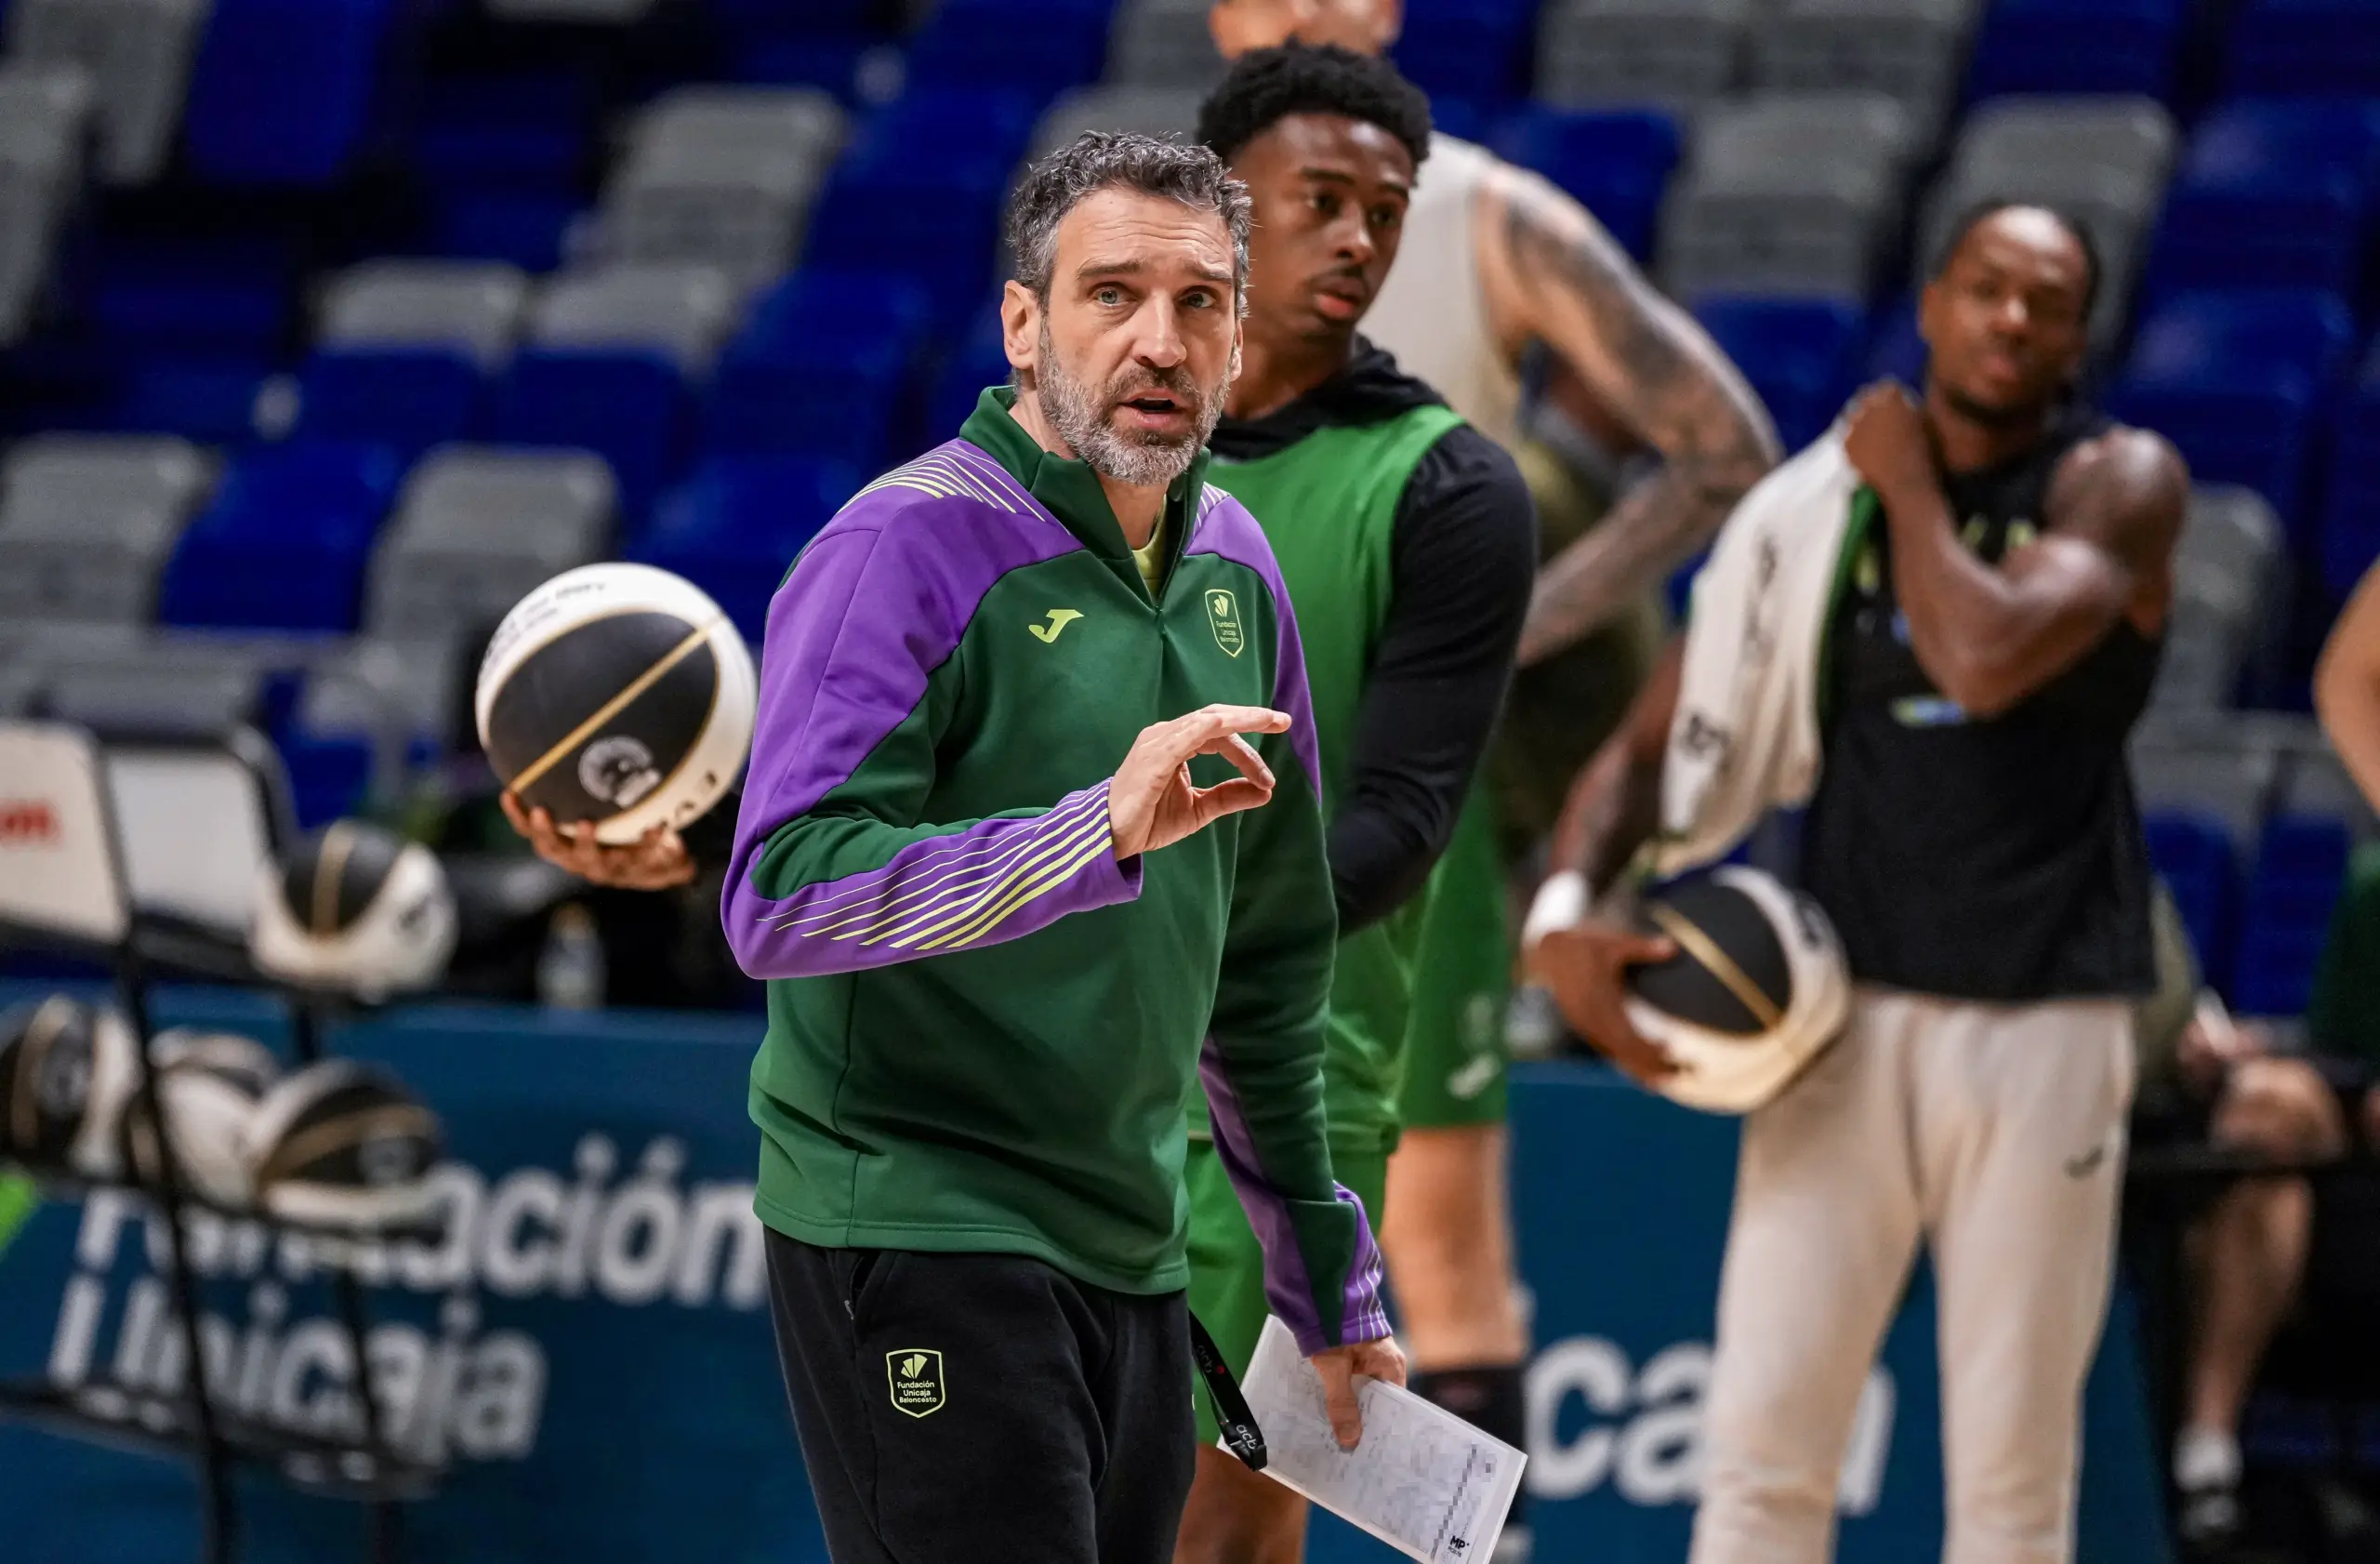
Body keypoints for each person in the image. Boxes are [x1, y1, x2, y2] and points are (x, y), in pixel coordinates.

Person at [720, 132, 1403, 1564]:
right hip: (916, 1216)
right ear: (1024, 324)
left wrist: (1325, 1281)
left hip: (1134, 1243)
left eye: (1202, 303)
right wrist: (1094, 826)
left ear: (1236, 343)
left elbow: (1270, 972)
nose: (1160, 341)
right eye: (1111, 296)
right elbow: (781, 892)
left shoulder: (1240, 568)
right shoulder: (901, 548)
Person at [1529, 202, 2188, 1564]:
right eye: (1987, 286)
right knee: (1764, 1450)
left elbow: (1985, 660)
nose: (2012, 318)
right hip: (1841, 1021)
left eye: (2046, 300)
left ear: (2079, 339)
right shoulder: (1817, 522)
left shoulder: (2116, 483)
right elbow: (1662, 732)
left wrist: (1912, 486)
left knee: (2010, 1477)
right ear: (1934, 301)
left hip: (2044, 1021)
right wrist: (1567, 913)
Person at [1208, 4, 1779, 1525]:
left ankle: (1474, 1547)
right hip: (1179, 767)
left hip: (1383, 786)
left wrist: (1509, 626)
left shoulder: (1488, 216)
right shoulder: (1149, 226)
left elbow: (1725, 443)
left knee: (1432, 1231)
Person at [1173, 46, 1536, 1564]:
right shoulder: (1073, 452)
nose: (1359, 242)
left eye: (1384, 213)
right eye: (1319, 200)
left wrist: (1154, 931)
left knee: (1215, 1534)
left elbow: (1400, 823)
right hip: (1029, 1075)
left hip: (1270, 1088)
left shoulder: (1448, 486)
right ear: (1216, 208)